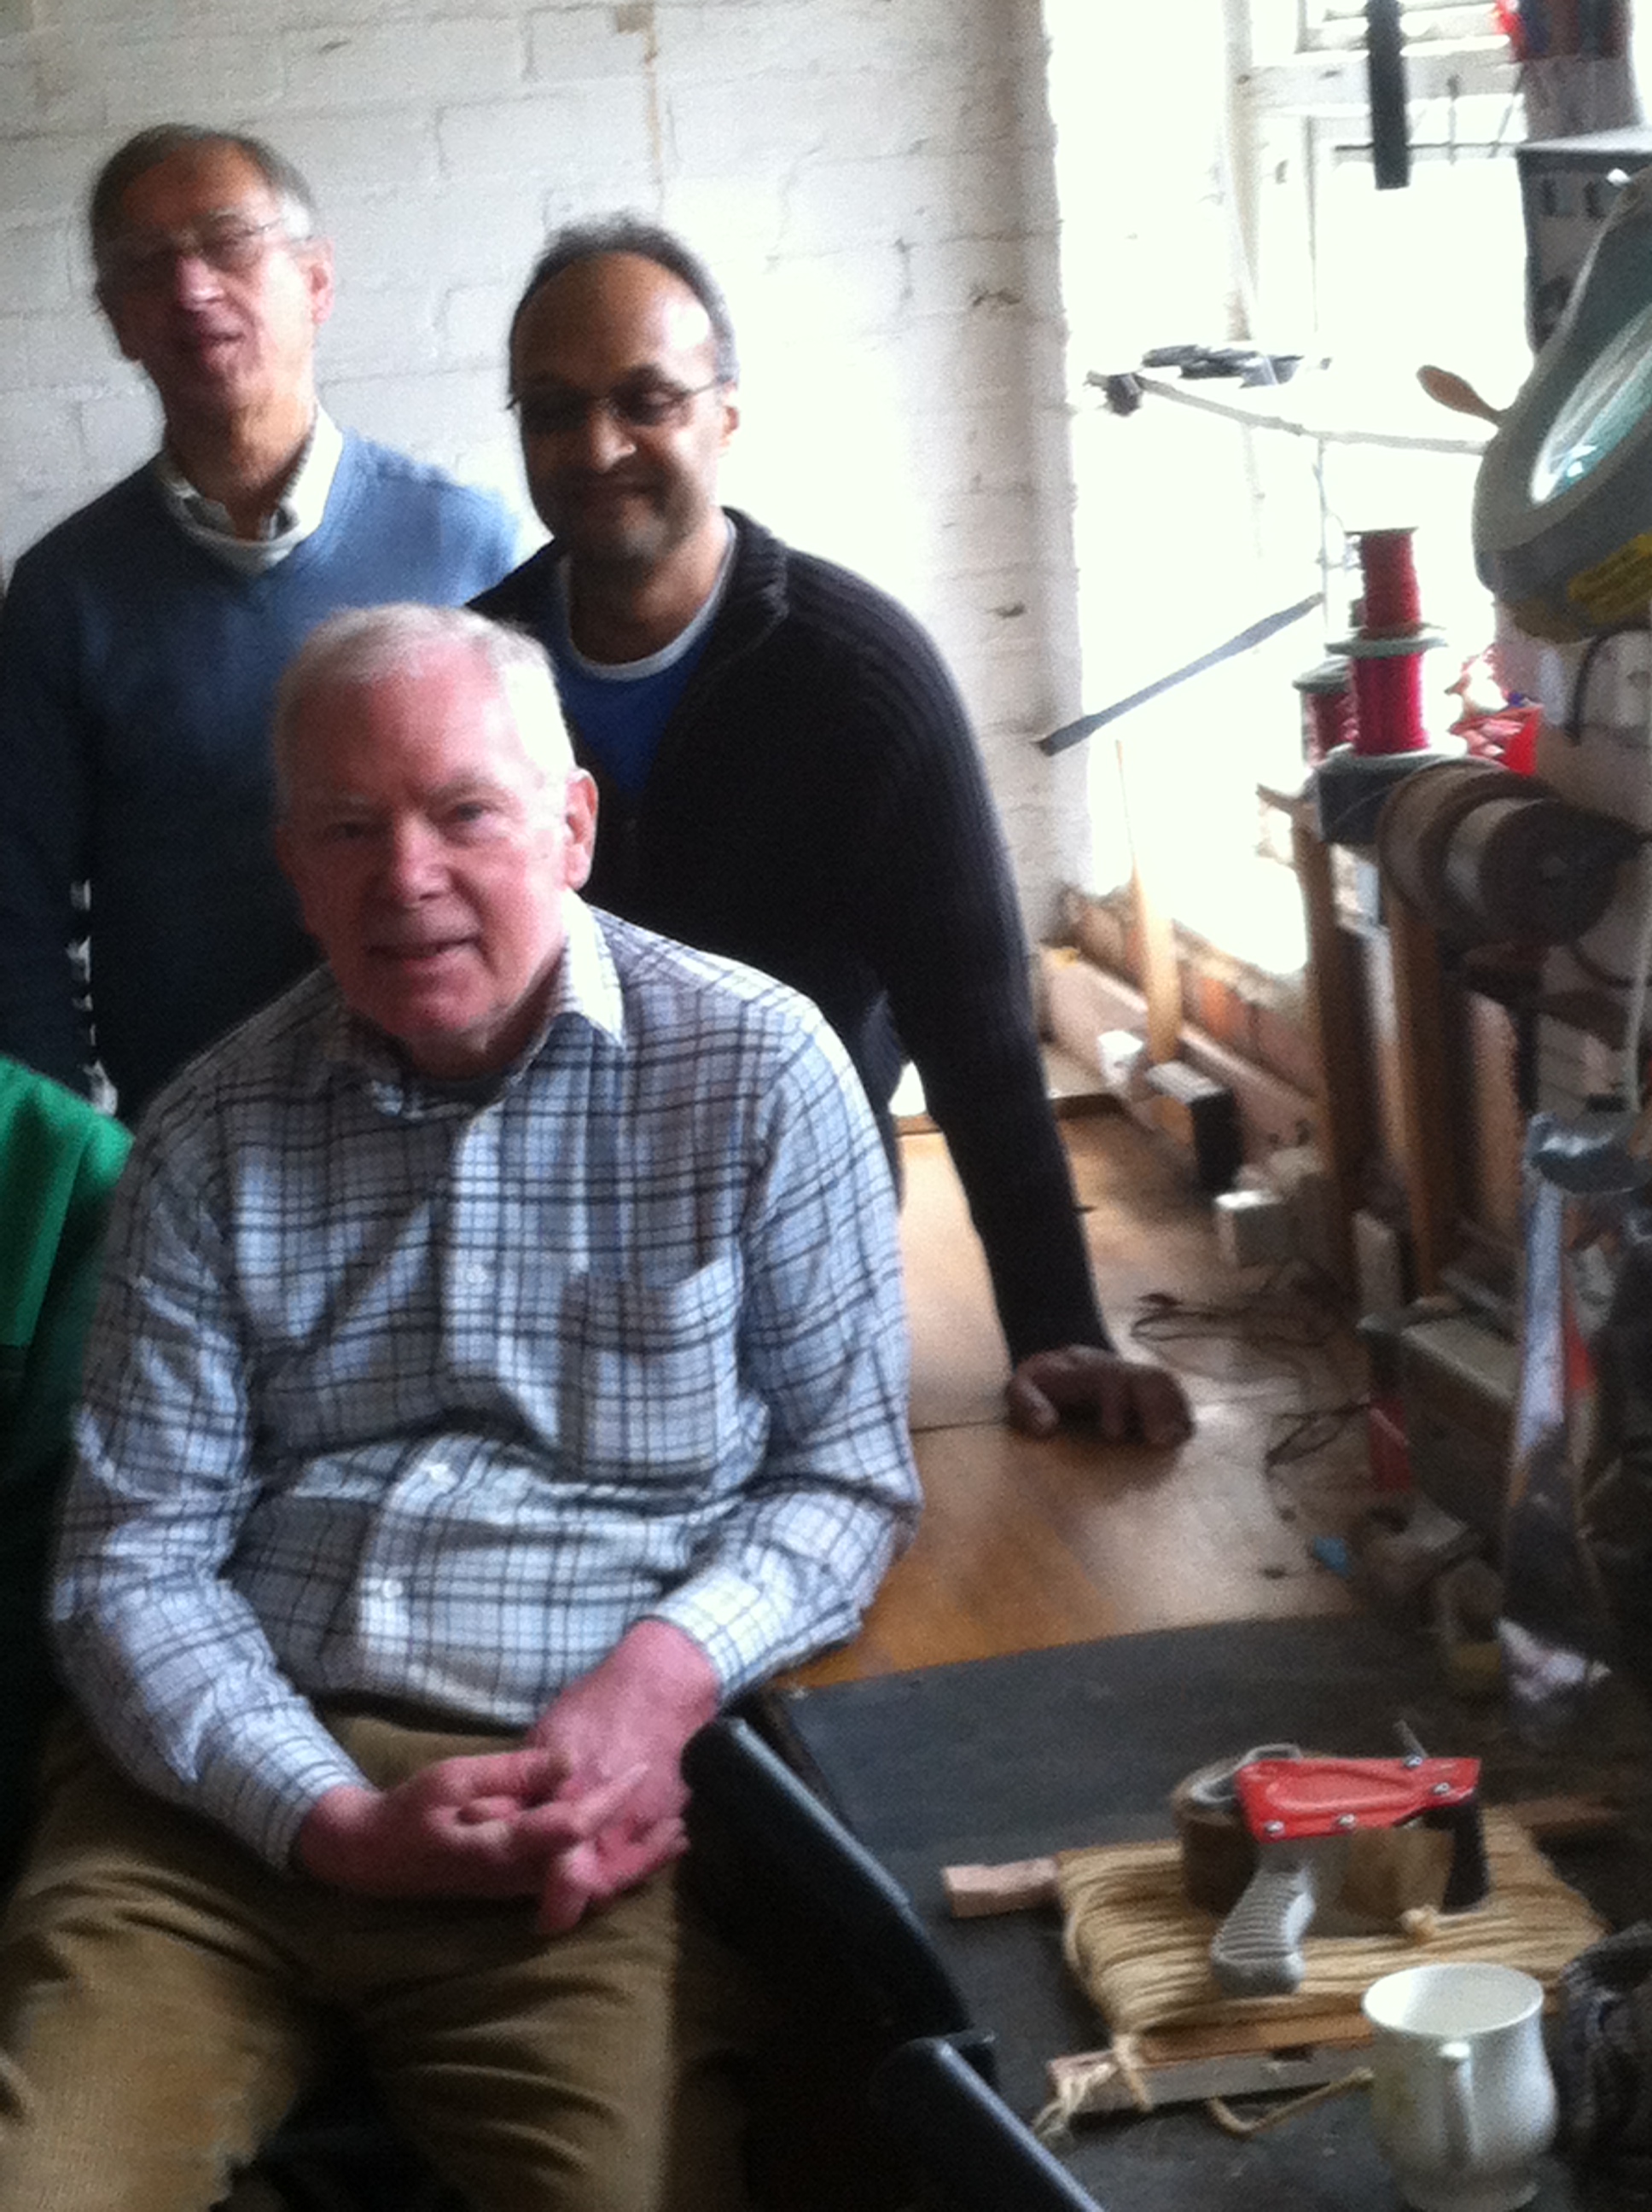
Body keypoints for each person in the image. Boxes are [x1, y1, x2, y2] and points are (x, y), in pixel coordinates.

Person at [0, 604, 920, 2211]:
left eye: (463, 813)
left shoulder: (760, 1074)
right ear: (294, 868)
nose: (405, 876)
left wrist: (660, 1681)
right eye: (349, 829)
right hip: (207, 1812)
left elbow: (844, 1476)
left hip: (568, 1809)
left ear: (572, 827)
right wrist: (331, 1818)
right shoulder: (206, 1133)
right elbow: (127, 1563)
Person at [474, 218, 1193, 1448]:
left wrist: (1054, 1325)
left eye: (646, 400)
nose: (597, 447)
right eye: (553, 410)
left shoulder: (858, 680)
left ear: (726, 416)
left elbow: (975, 1031)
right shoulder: (474, 683)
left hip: (789, 1241)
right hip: (532, 1256)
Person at [0, 125, 520, 1124]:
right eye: (147, 265)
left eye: (228, 242)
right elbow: (17, 914)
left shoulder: (467, 546)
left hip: (460, 1119)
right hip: (193, 1140)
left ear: (316, 282)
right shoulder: (66, 594)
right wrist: (74, 1156)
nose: (191, 289)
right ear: (117, 321)